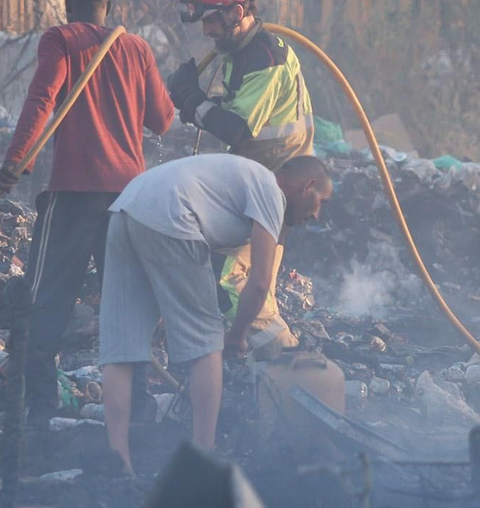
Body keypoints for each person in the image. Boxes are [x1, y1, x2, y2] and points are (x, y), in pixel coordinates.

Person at [0, 0, 175, 423]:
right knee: (126, 307)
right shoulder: (137, 48)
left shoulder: (61, 39)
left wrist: (16, 164)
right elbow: (163, 120)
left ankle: (38, 412)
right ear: (108, 8)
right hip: (129, 200)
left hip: (74, 196)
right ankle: (139, 412)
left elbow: (41, 101)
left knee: (46, 302)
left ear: (67, 4)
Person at [99, 154, 332, 475]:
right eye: (321, 201)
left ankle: (118, 462)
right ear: (308, 186)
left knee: (120, 350)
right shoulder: (269, 190)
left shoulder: (243, 178)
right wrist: (235, 336)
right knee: (207, 344)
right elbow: (260, 281)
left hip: (126, 208)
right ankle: (203, 461)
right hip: (173, 215)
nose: (317, 214)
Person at [165, 0, 315, 357]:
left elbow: (237, 130)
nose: (206, 31)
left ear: (236, 12)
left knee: (235, 279)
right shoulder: (239, 52)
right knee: (232, 275)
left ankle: (284, 364)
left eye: (212, 21)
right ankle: (250, 365)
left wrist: (194, 101)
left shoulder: (266, 58)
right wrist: (194, 103)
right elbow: (235, 114)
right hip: (262, 181)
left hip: (279, 186)